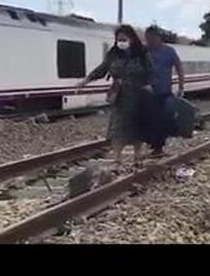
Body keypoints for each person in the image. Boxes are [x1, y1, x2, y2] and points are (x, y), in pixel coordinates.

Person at [77, 25, 152, 170]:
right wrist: (86, 80)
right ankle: (117, 159)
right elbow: (102, 69)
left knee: (137, 126)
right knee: (118, 128)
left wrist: (149, 85)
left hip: (139, 95)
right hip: (120, 95)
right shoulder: (113, 53)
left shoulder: (142, 54)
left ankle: (137, 157)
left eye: (124, 39)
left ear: (131, 39)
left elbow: (150, 71)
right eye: (119, 39)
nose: (121, 42)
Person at [144, 25, 185, 157]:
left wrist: (181, 86)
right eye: (147, 38)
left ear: (158, 37)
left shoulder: (169, 51)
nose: (149, 41)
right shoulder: (144, 51)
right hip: (147, 93)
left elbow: (179, 68)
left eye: (151, 38)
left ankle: (158, 146)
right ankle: (154, 145)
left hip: (164, 91)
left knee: (163, 119)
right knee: (149, 120)